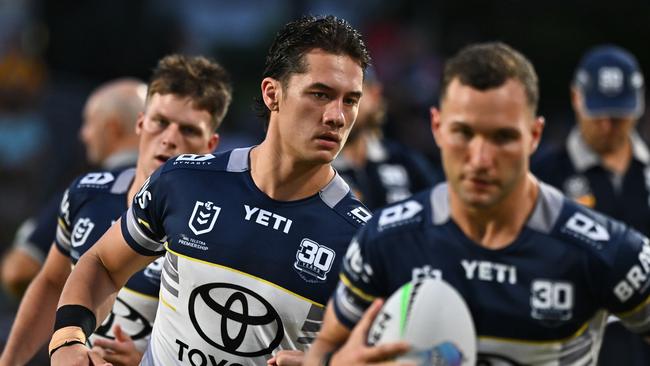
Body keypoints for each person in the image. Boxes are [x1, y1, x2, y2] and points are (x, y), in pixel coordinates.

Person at [48, 15, 371, 366]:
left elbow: (393, 353)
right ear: (272, 94)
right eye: (320, 94)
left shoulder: (362, 238)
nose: (337, 116)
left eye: (350, 100)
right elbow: (102, 264)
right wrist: (67, 339)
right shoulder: (185, 181)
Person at [305, 42, 650, 365]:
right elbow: (324, 349)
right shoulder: (384, 240)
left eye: (503, 137)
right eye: (464, 133)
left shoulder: (606, 249)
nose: (481, 158)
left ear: (534, 135)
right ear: (438, 128)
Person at [0, 55, 232, 366]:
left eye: (188, 130)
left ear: (210, 145)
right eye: (160, 122)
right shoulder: (89, 192)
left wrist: (146, 359)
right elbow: (53, 283)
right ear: (140, 123)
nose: (170, 139)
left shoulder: (219, 230)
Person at [532, 45, 650, 365]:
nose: (608, 125)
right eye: (599, 114)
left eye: (618, 115)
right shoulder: (542, 176)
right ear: (576, 98)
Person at [0, 78, 144, 298]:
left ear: (112, 128)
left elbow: (18, 272)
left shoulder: (87, 190)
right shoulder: (176, 190)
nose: (83, 135)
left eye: (88, 123)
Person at [333, 67, 438, 211]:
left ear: (374, 94)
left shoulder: (404, 161)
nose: (337, 109)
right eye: (328, 95)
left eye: (350, 96)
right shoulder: (312, 170)